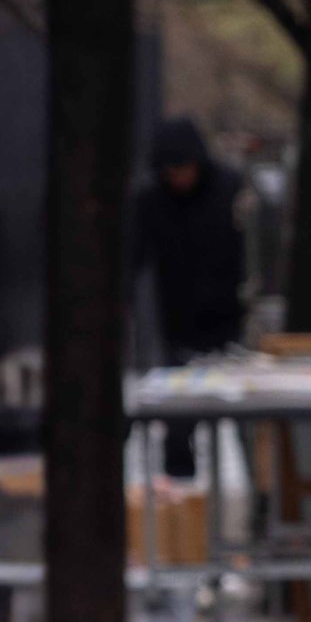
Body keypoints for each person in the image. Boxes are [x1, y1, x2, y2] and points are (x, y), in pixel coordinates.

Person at [130, 119, 247, 478]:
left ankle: (264, 499)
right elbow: (133, 259)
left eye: (183, 169)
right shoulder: (151, 202)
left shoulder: (230, 190)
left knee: (251, 421)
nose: (178, 178)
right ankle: (179, 495)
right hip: (178, 325)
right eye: (171, 171)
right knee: (178, 425)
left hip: (231, 322)